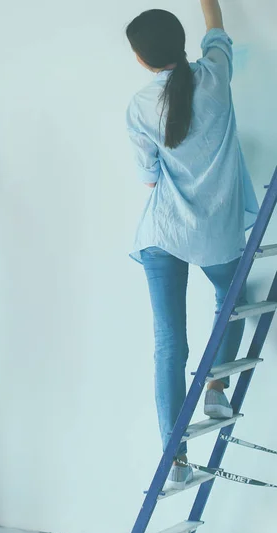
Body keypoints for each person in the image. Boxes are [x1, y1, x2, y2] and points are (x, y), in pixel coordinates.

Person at [125, 1, 259, 489]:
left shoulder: (139, 105)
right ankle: (217, 385)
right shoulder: (216, 76)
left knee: (169, 345)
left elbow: (148, 177)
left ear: (140, 59)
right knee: (233, 300)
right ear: (182, 45)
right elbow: (216, 29)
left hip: (163, 234)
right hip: (216, 234)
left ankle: (174, 459)